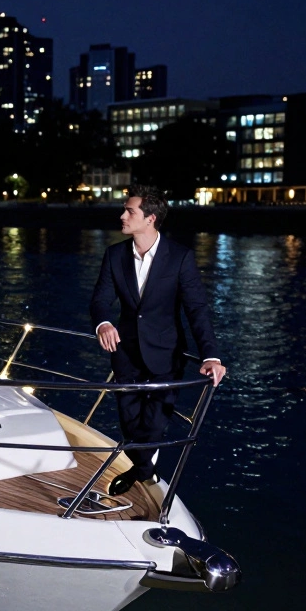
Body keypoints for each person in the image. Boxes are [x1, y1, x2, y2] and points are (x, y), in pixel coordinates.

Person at [89, 184, 226, 496]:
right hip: (124, 354)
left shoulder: (179, 257)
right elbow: (99, 301)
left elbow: (197, 309)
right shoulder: (114, 255)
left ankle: (140, 470)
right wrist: (103, 324)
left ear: (149, 218)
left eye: (130, 211)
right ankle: (145, 468)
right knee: (129, 423)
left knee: (153, 425)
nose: (122, 215)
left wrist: (211, 356)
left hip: (166, 354)